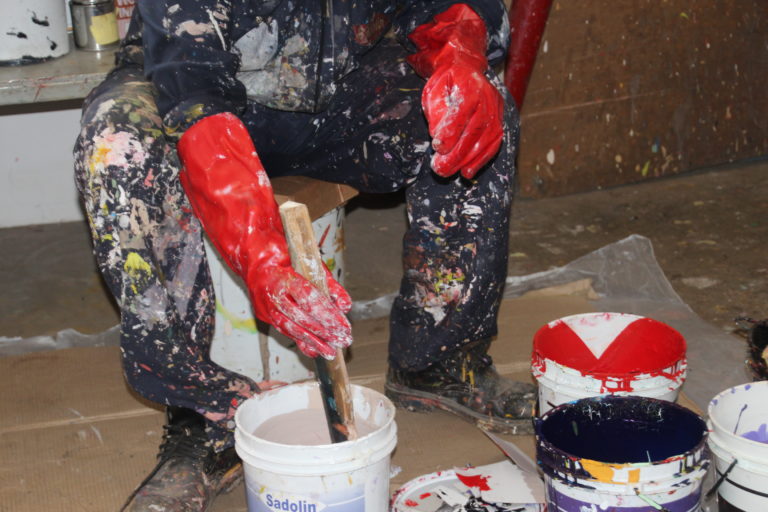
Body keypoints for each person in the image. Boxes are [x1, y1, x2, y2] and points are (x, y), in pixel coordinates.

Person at [73, 0, 536, 509]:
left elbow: (452, 6)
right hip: (188, 100)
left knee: (480, 106)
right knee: (117, 145)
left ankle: (438, 362)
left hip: (341, 91)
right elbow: (194, 86)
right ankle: (203, 417)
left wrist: (459, 57)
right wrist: (263, 260)